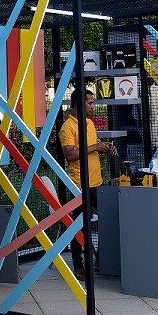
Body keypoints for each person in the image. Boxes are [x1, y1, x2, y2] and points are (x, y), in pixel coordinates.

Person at [60, 88, 114, 281]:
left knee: (108, 220)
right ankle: (78, 265)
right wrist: (95, 147)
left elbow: (89, 149)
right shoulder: (68, 127)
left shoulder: (89, 123)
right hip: (79, 185)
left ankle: (100, 259)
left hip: (96, 182)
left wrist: (104, 148)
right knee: (79, 226)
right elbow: (70, 155)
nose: (93, 106)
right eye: (90, 102)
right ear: (78, 103)